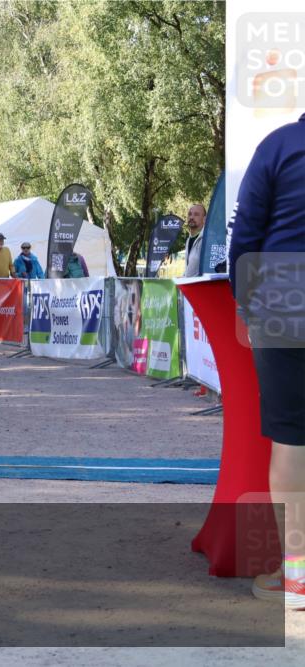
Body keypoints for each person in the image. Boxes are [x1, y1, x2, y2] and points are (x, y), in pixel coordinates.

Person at [229, 112, 305, 611]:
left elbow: (246, 236)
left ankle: (297, 577)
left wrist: (246, 301)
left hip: (284, 300)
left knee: (292, 437)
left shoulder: (278, 147)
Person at [184, 203, 206, 277]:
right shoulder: (188, 240)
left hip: (201, 286)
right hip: (189, 286)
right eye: (190, 214)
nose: (191, 217)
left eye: (196, 214)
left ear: (204, 219)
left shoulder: (207, 240)